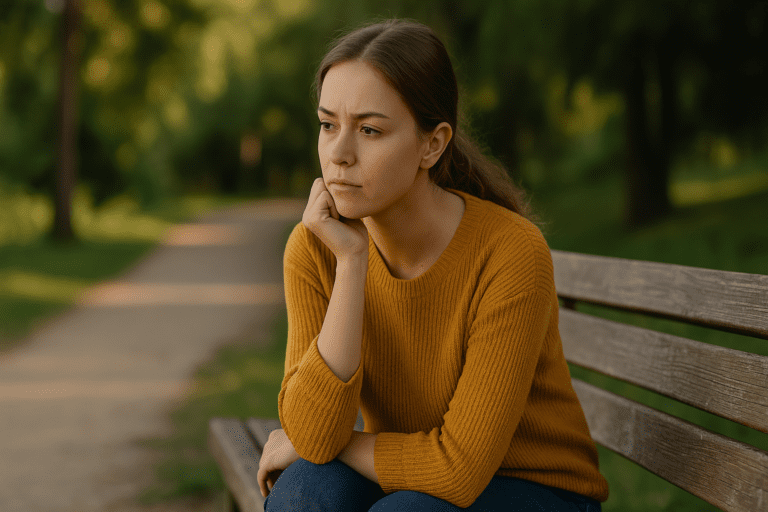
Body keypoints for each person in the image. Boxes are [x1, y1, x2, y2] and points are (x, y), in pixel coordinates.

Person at [256, 17, 610, 511]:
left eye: (370, 130)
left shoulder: (509, 252)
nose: (338, 153)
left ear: (432, 143)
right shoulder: (319, 247)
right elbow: (316, 436)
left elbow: (458, 471)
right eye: (327, 124)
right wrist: (353, 262)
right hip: (409, 471)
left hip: (538, 487)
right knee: (305, 494)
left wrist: (330, 445)